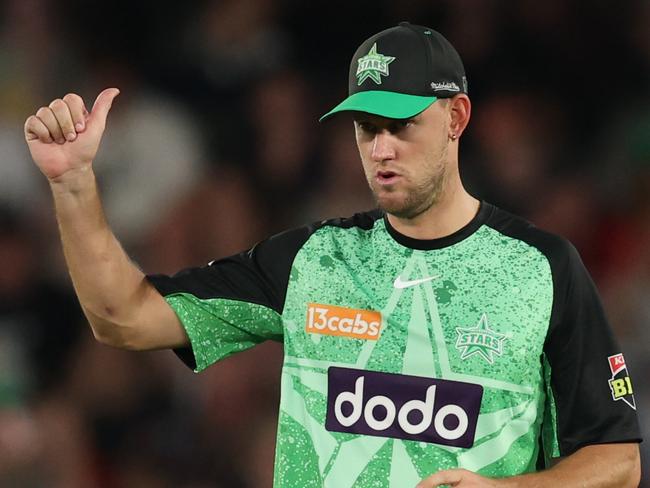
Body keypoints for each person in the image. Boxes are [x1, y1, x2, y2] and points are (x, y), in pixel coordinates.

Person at [24, 22, 641, 488]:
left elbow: (620, 459)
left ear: (457, 116)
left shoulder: (543, 267)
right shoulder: (313, 258)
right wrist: (73, 184)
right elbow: (123, 319)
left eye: (401, 125)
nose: (381, 149)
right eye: (367, 128)